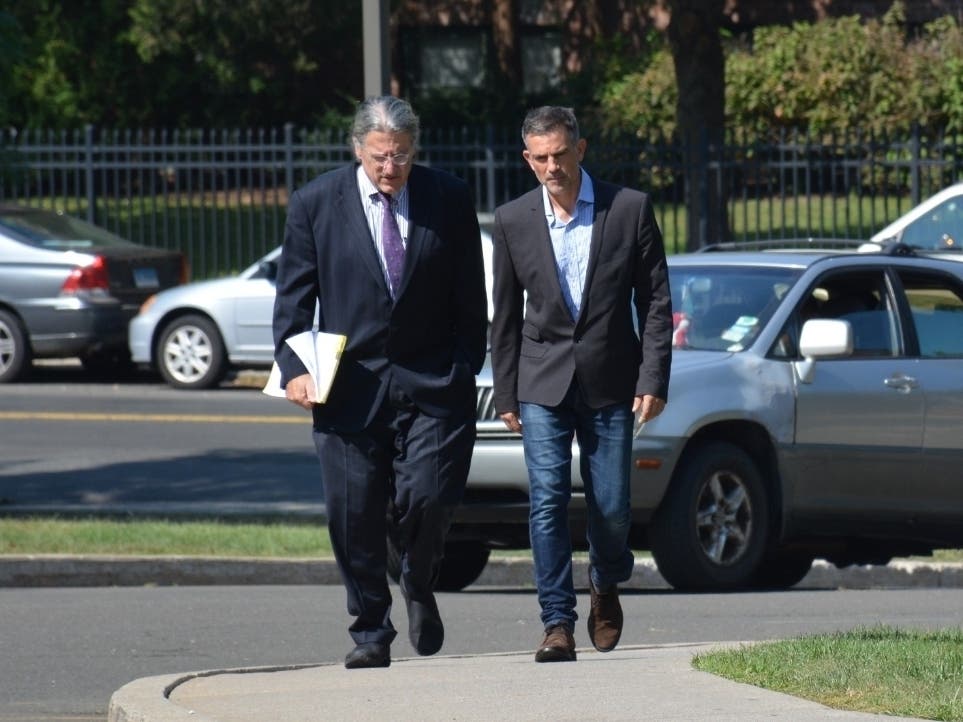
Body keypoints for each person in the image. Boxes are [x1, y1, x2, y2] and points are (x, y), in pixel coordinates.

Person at [272, 96, 488, 669]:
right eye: (380, 157)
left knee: (430, 498)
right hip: (350, 384)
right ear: (357, 149)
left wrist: (465, 362)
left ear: (415, 150)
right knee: (353, 514)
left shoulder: (448, 197)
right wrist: (295, 370)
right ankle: (370, 629)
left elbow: (470, 293)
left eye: (401, 156)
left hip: (433, 381)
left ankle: (417, 578)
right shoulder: (317, 203)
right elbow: (294, 299)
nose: (391, 168)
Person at [489, 106, 672, 663]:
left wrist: (653, 376)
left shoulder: (629, 209)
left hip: (611, 377)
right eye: (541, 158)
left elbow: (655, 301)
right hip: (540, 379)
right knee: (546, 499)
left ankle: (605, 580)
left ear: (581, 149)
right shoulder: (513, 220)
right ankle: (556, 622)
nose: (553, 167)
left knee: (611, 506)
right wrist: (505, 390)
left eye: (561, 155)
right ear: (528, 159)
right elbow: (505, 314)